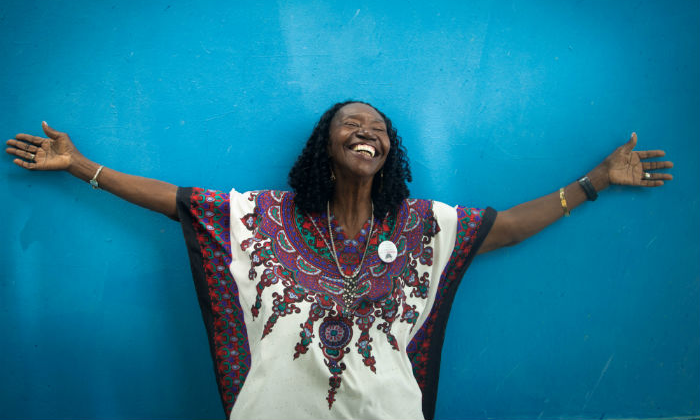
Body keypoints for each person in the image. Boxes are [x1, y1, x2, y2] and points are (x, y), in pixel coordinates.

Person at [5, 101, 673, 420]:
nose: (368, 131)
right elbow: (179, 201)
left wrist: (594, 181)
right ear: (323, 144)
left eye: (380, 128)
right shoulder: (266, 216)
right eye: (352, 123)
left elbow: (508, 227)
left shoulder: (421, 226)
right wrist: (83, 166)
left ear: (391, 155)